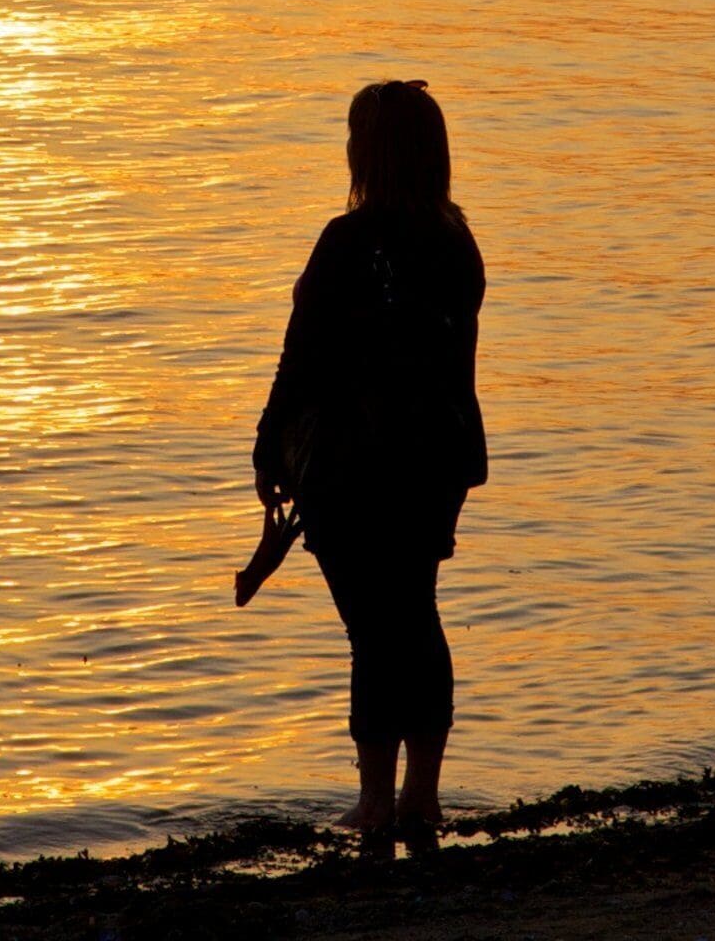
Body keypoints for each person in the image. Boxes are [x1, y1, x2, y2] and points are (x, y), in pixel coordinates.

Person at [253, 80, 488, 859]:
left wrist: (268, 447)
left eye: (355, 133)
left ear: (373, 152)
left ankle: (376, 802)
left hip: (355, 465)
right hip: (436, 460)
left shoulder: (346, 244)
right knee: (413, 616)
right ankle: (419, 797)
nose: (346, 144)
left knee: (375, 632)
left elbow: (302, 357)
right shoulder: (456, 244)